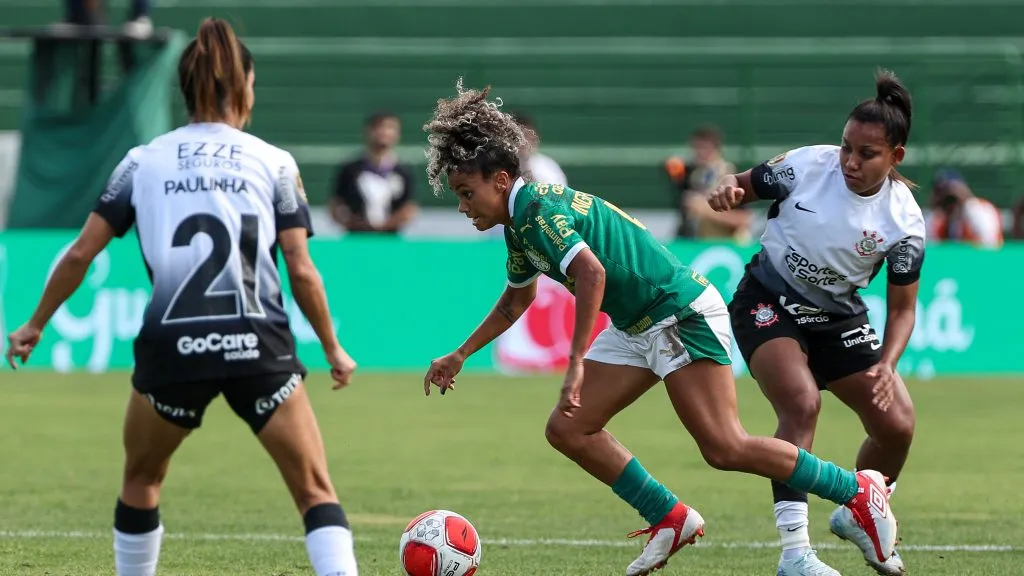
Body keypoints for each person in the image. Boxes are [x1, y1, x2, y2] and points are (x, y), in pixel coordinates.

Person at [419, 78, 899, 576]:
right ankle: (670, 518)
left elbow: (592, 272)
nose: (462, 205)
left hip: (678, 313)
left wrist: (577, 363)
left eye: (466, 192)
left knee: (724, 446)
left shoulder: (538, 208)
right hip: (638, 324)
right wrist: (461, 353)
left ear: (499, 181)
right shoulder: (520, 224)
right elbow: (516, 301)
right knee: (568, 428)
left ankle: (857, 491)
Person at [4, 18, 359, 576]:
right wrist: (333, 348)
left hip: (175, 345)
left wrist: (34, 324)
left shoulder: (141, 162)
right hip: (256, 344)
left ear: (186, 87)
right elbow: (300, 268)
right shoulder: (275, 162)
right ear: (244, 85)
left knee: (142, 480)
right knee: (315, 491)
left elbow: (80, 254)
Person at [707, 69, 923, 576]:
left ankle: (859, 510)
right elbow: (740, 184)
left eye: (866, 154)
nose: (849, 160)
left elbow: (904, 309)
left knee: (897, 424)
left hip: (837, 314)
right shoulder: (806, 165)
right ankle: (795, 554)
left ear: (896, 157)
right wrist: (727, 190)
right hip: (767, 299)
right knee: (801, 404)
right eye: (847, 146)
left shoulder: (904, 222)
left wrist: (887, 365)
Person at [329, 111, 418, 234]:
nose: (384, 132)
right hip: (356, 239)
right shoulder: (350, 170)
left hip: (391, 241)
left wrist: (387, 225)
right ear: (367, 131)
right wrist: (349, 221)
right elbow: (335, 205)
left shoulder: (404, 171)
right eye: (379, 127)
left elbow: (409, 209)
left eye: (390, 128)